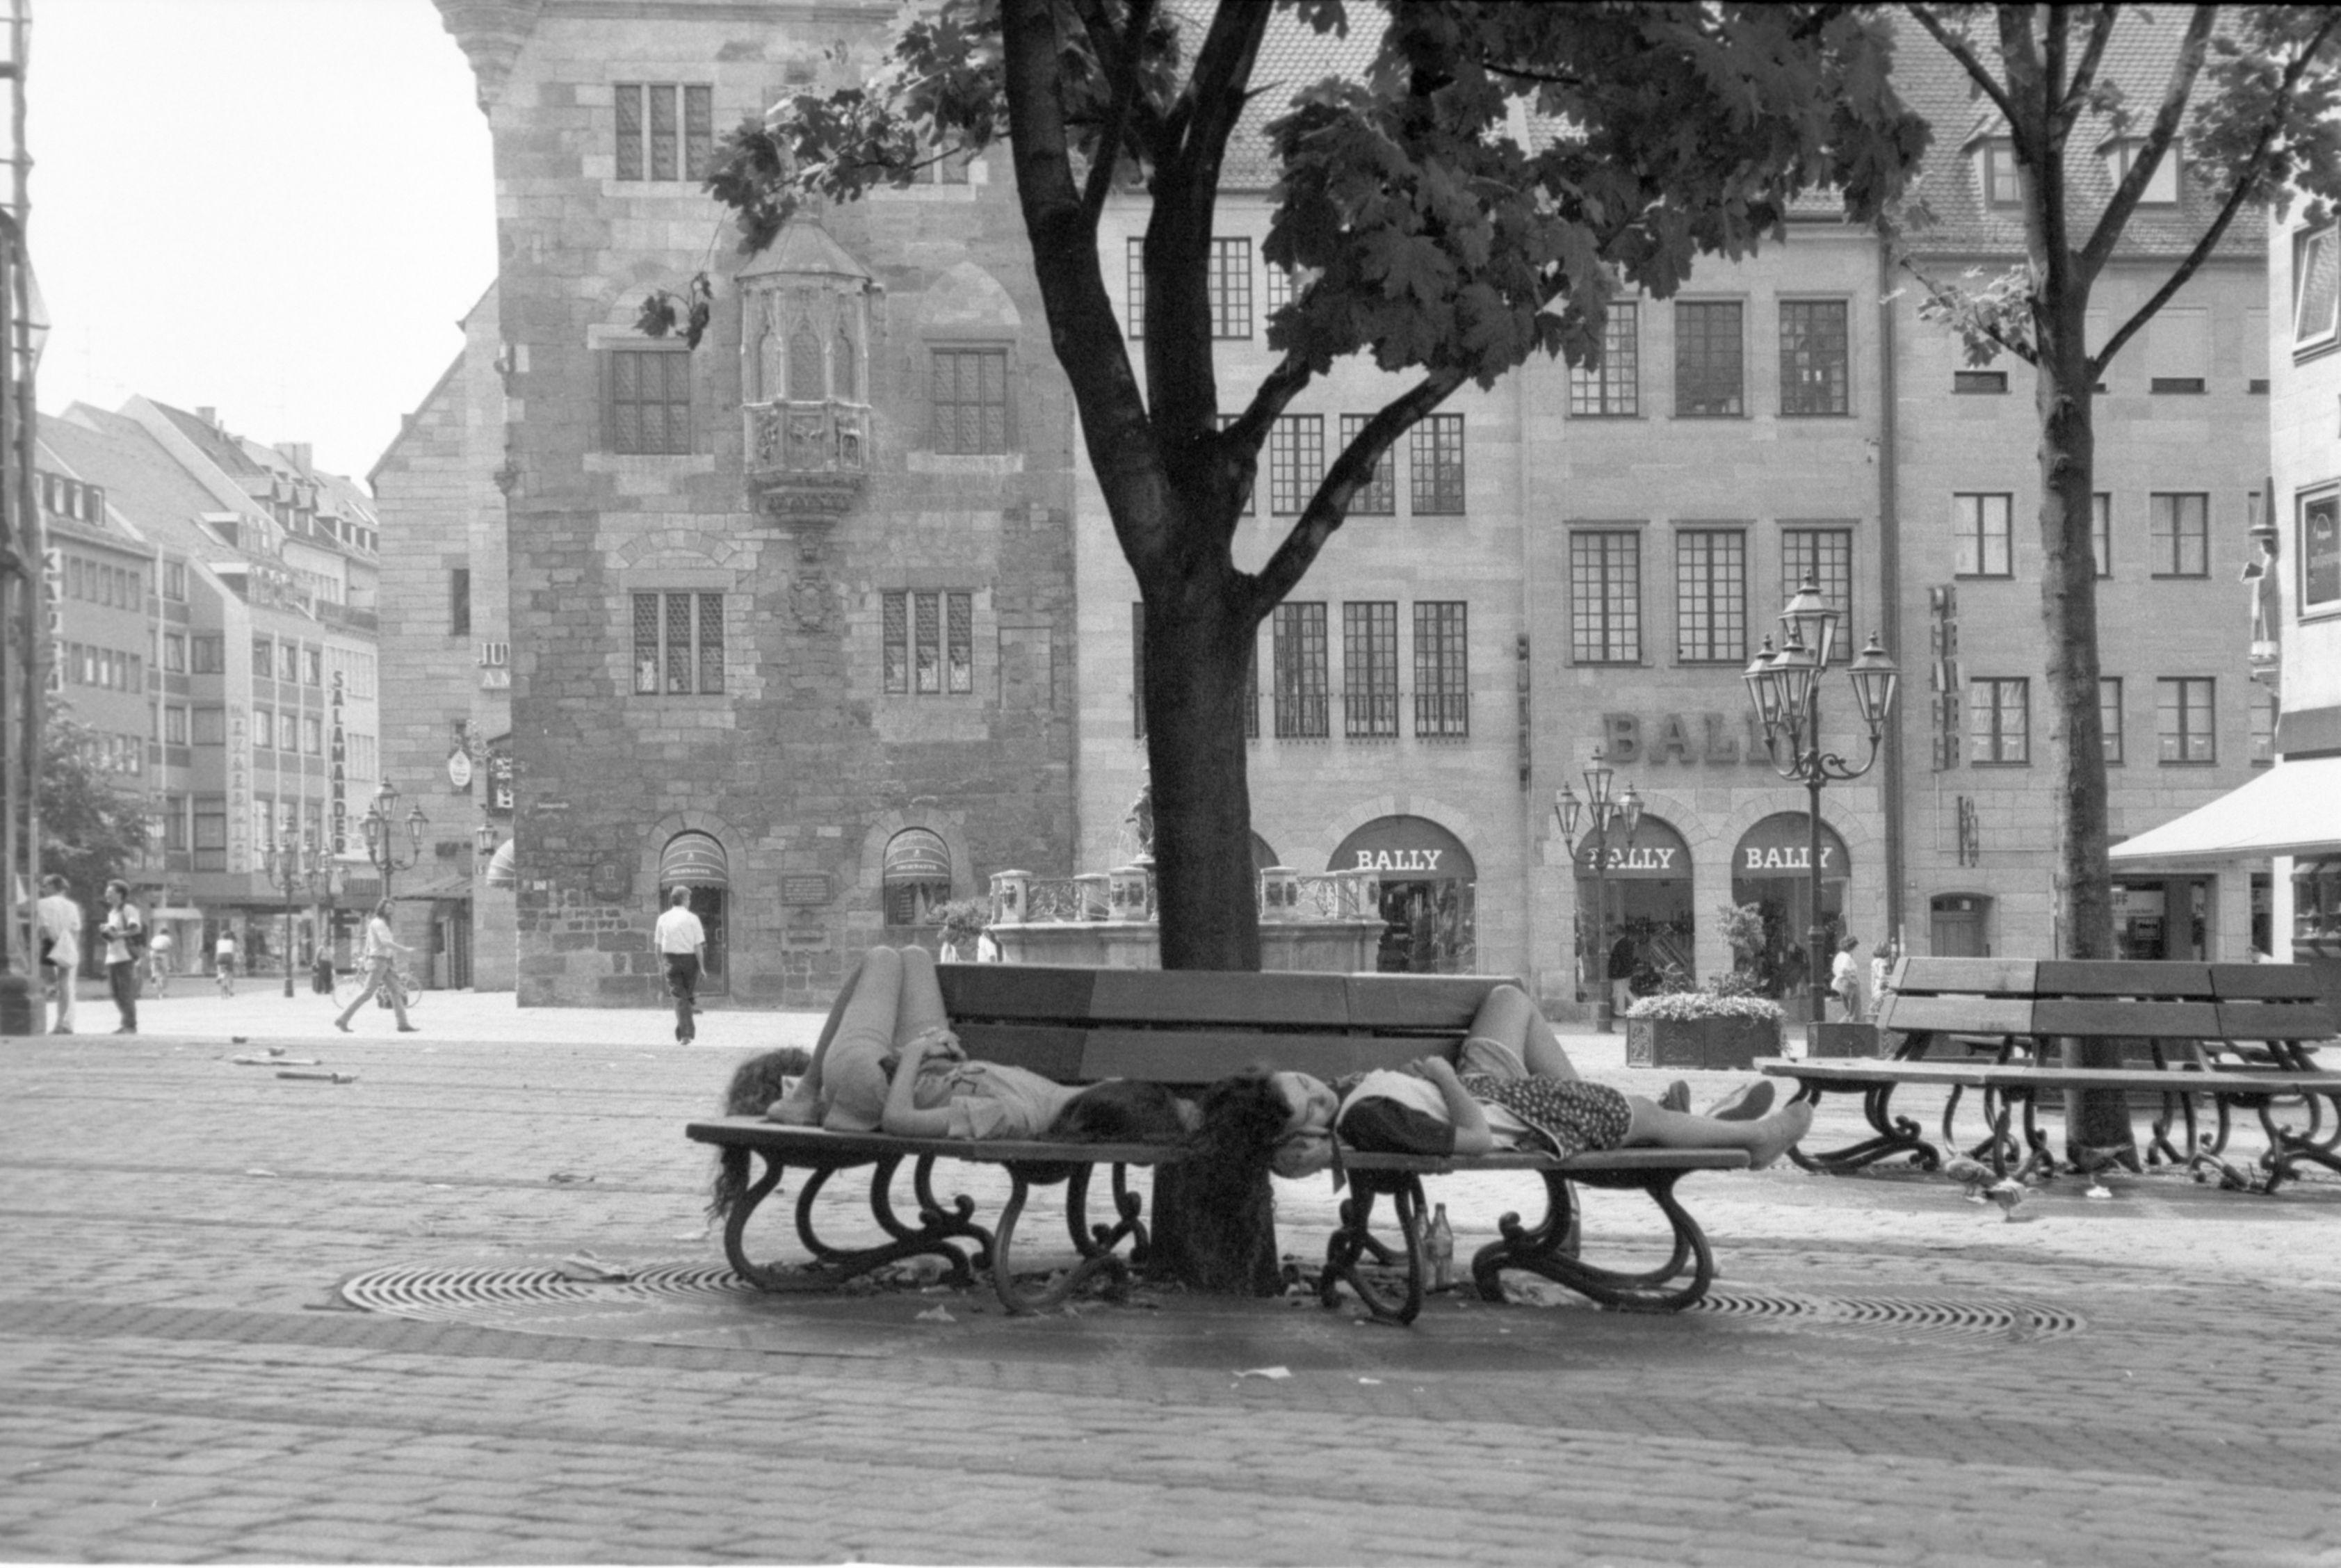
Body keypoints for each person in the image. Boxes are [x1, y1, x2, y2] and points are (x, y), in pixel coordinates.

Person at [1258, 984, 1809, 1181]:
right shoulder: (1368, 1119)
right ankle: (1754, 1137)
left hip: (1494, 1093)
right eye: (1308, 1106)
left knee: (1510, 1000)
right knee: (1645, 1114)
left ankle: (1626, 1114)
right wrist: (1445, 1079)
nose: (1317, 1092)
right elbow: (1475, 1140)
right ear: (1303, 1134)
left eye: (1304, 1081)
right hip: (1506, 1115)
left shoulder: (1349, 1109)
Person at [766, 944, 1189, 1142]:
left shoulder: (1006, 1117)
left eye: (1123, 1083)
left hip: (872, 1083)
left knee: (880, 958)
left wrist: (914, 1054)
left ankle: (807, 1092)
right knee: (913, 956)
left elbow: (898, 1120)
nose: (1115, 1076)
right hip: (927, 1066)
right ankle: (809, 1093)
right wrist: (944, 1050)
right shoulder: (1053, 1096)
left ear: (1110, 1093)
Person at [334, 900, 418, 1033]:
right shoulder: (379, 923)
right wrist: (404, 949)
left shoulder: (381, 923)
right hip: (379, 962)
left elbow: (370, 943)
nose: (391, 911)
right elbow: (385, 942)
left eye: (392, 909)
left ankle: (403, 1024)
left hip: (385, 962)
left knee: (396, 991)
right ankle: (343, 1019)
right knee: (367, 993)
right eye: (388, 909)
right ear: (382, 909)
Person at [654, 885, 707, 1044]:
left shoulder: (663, 919)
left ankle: (683, 1031)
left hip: (670, 960)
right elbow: (698, 946)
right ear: (684, 899)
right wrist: (702, 967)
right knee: (684, 997)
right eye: (689, 898)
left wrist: (660, 964)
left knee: (680, 997)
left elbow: (658, 946)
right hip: (690, 961)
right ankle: (686, 1034)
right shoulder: (692, 918)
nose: (690, 901)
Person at [33, 874, 83, 1035]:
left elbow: (43, 928)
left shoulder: (41, 903)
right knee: (64, 984)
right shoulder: (72, 906)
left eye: (46, 885)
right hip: (67, 944)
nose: (43, 888)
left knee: (43, 980)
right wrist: (70, 948)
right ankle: (60, 1022)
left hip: (48, 944)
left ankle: (40, 1019)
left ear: (53, 886)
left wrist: (53, 941)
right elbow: (76, 929)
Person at [97, 880, 143, 1034]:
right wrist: (106, 931)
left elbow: (136, 929)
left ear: (120, 894)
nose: (107, 895)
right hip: (112, 956)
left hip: (125, 956)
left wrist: (117, 935)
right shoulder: (112, 912)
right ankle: (126, 1023)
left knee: (125, 992)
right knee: (115, 992)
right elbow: (114, 933)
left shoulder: (128, 909)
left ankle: (130, 1025)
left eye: (110, 892)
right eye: (107, 892)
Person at [1830, 935, 1863, 1022]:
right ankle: (1849, 1023)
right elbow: (1844, 970)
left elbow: (1835, 969)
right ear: (1852, 946)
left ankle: (1846, 1022)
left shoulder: (1839, 956)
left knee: (1849, 1008)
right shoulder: (1847, 957)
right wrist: (1852, 980)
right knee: (1854, 1009)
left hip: (1840, 982)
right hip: (1849, 981)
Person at [1607, 932, 1636, 1017]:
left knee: (1620, 991)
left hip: (1621, 973)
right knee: (1624, 991)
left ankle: (1620, 1011)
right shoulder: (1626, 942)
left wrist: (1614, 971)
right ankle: (1638, 1006)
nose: (1613, 935)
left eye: (1614, 932)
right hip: (1625, 972)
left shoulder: (1621, 943)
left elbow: (1618, 959)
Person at [147, 926, 175, 990]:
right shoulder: (167, 938)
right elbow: (170, 947)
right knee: (164, 970)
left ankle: (154, 976)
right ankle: (162, 986)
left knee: (154, 968)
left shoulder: (155, 938)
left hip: (153, 953)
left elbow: (151, 945)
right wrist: (171, 957)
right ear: (166, 933)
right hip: (162, 953)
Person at [214, 929, 238, 996]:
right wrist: (233, 959)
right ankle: (230, 990)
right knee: (230, 974)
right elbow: (233, 952)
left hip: (220, 957)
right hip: (228, 956)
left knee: (220, 970)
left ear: (222, 936)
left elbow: (217, 951)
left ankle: (220, 976)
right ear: (229, 937)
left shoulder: (219, 942)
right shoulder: (231, 942)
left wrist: (216, 959)